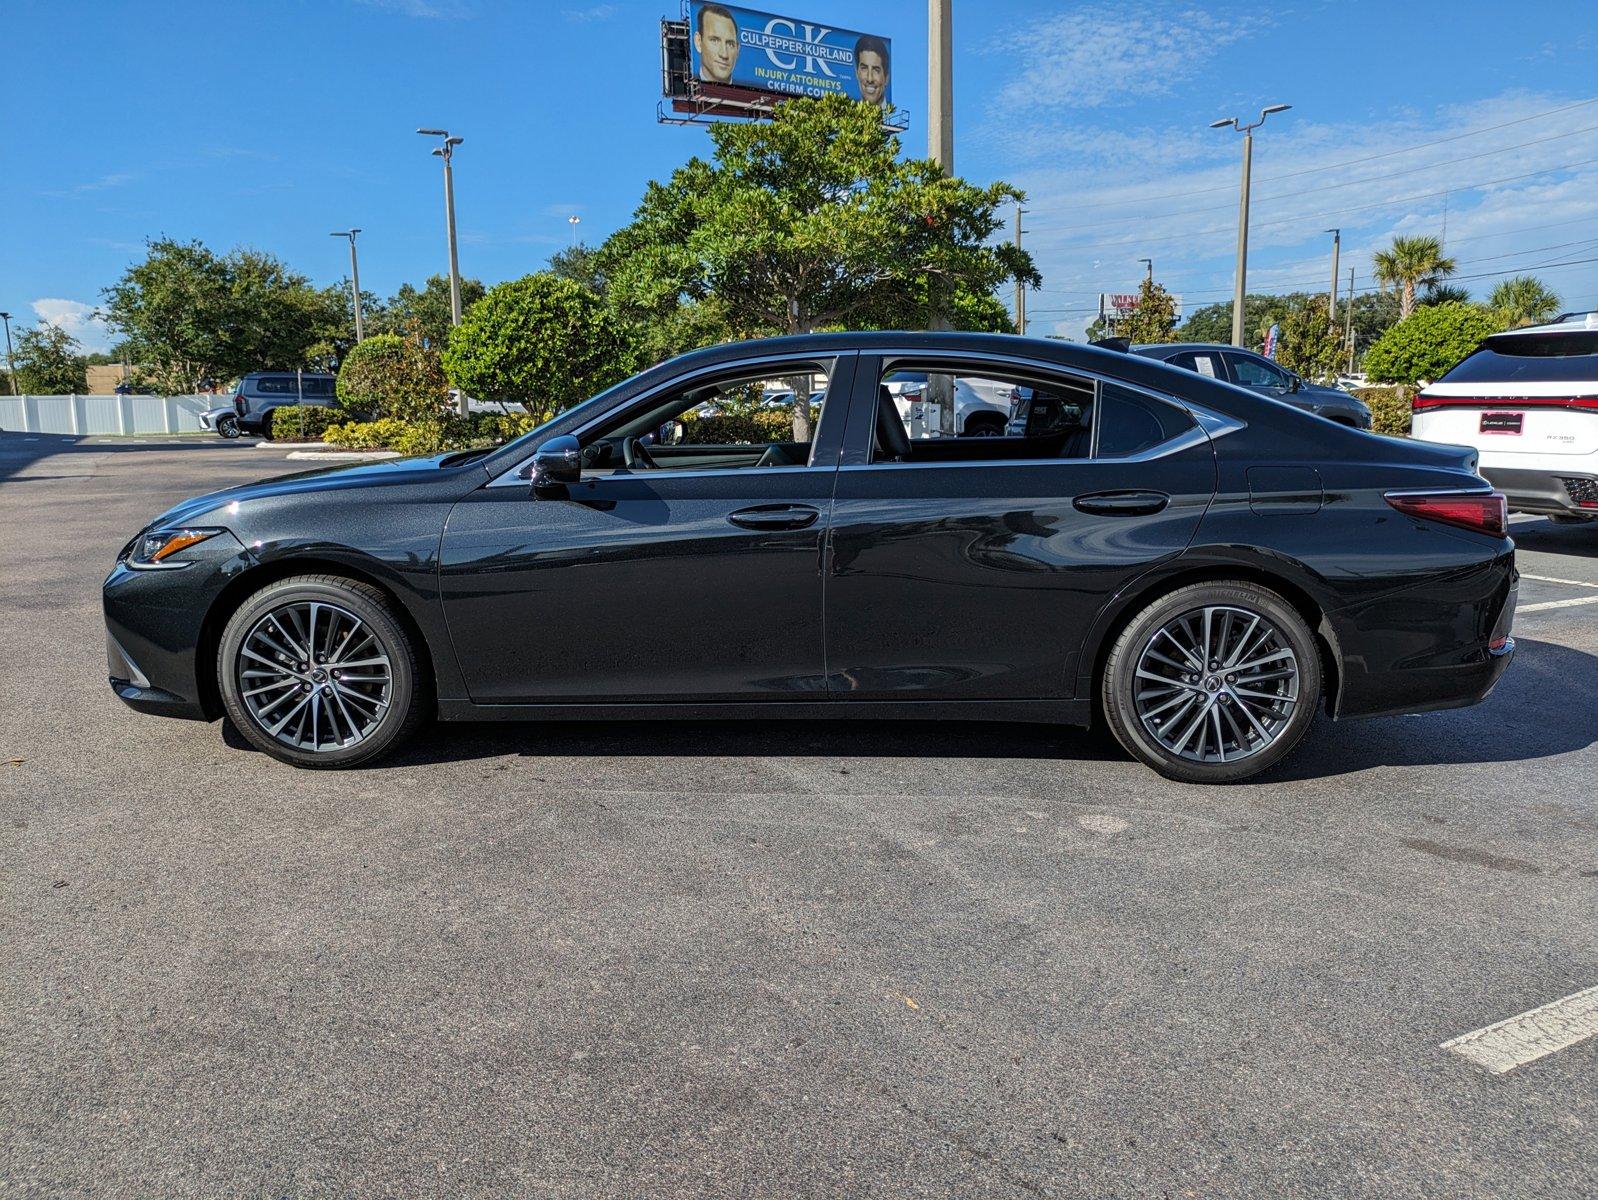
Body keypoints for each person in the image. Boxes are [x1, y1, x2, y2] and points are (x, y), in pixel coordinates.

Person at [695, 4, 740, 84]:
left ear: (737, 49)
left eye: (730, 44)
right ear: (698, 41)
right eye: (714, 41)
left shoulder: (752, 91)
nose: (724, 54)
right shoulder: (686, 88)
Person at [854, 34, 889, 106]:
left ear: (886, 78)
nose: (870, 79)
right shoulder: (844, 113)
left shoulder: (895, 115)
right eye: (864, 68)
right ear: (857, 72)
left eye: (876, 70)